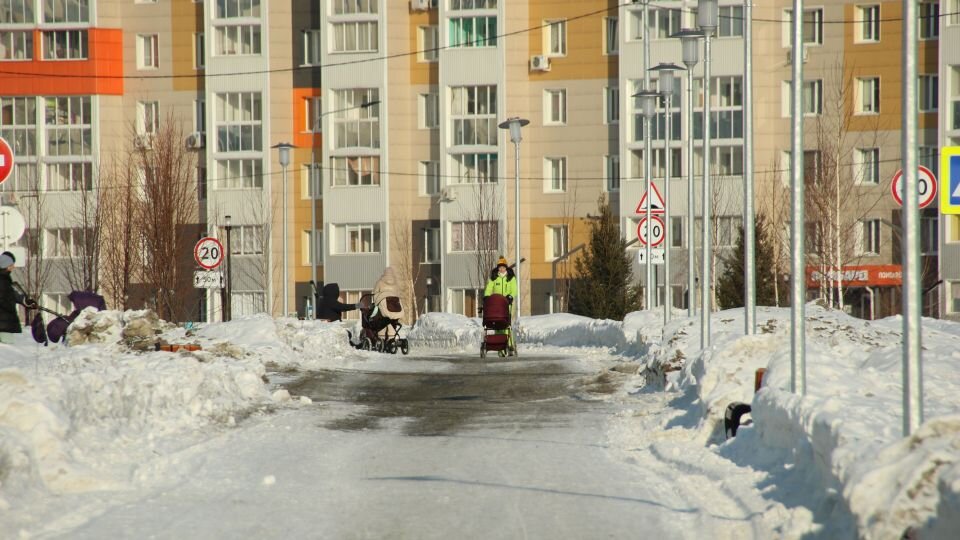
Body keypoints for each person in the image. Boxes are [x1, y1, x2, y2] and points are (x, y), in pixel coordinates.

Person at [0, 251, 23, 344]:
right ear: (6, 265)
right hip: (4, 323)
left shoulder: (5, 279)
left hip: (4, 322)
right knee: (7, 349)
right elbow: (8, 298)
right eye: (12, 264)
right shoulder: (3, 280)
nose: (13, 267)